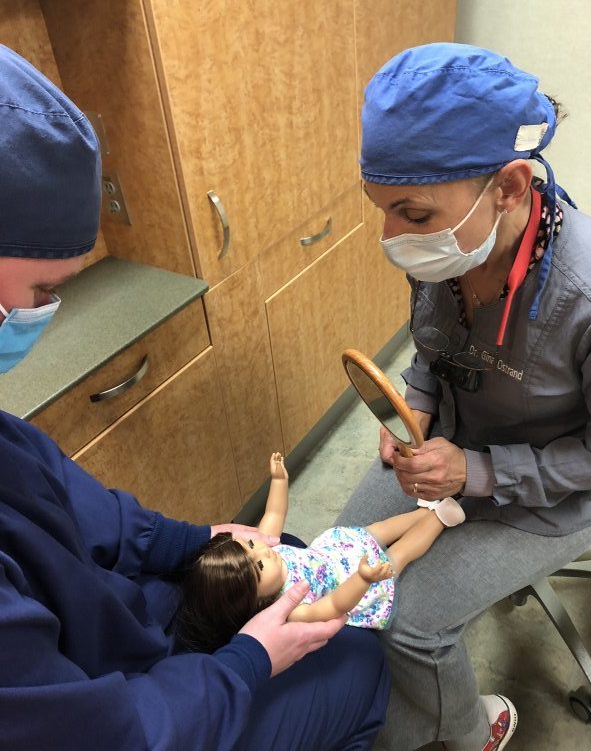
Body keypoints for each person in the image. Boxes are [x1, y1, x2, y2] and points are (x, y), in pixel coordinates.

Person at [0, 44, 390, 750]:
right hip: (121, 719)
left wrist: (198, 540)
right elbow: (103, 736)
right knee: (358, 659)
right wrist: (249, 663)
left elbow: (86, 510)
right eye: (40, 293)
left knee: (290, 548)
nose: (44, 315)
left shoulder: (9, 442)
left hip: (122, 638)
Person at [337, 42, 591, 751]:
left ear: (511, 185)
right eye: (382, 211)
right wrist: (415, 408)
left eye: (412, 214)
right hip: (447, 449)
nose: (392, 238)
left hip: (558, 489)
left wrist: (477, 474)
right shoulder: (444, 249)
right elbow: (432, 352)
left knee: (412, 624)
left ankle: (471, 728)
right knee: (342, 563)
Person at [176, 453, 466, 652]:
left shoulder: (269, 547)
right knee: (399, 555)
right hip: (354, 581)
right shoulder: (289, 611)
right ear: (255, 600)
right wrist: (364, 579)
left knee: (381, 528)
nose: (263, 552)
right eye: (259, 568)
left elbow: (274, 513)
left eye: (250, 546)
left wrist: (278, 481)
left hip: (338, 549)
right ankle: (439, 520)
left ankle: (424, 511)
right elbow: (333, 607)